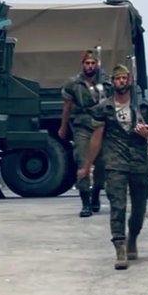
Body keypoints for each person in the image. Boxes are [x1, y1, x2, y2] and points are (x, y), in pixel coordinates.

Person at [77, 64, 148, 270]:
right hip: (115, 162)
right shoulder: (104, 108)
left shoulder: (142, 106)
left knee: (139, 208)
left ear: (129, 81)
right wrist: (87, 165)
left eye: (124, 78)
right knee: (118, 205)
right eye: (117, 79)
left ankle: (133, 236)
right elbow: (96, 138)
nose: (121, 81)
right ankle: (120, 247)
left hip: (139, 162)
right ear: (112, 82)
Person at [59, 50, 109, 218]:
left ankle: (96, 192)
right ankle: (85, 203)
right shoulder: (73, 84)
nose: (90, 66)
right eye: (87, 63)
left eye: (92, 63)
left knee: (102, 163)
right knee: (82, 162)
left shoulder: (105, 83)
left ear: (97, 65)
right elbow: (67, 106)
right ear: (83, 65)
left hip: (101, 126)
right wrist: (63, 127)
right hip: (82, 126)